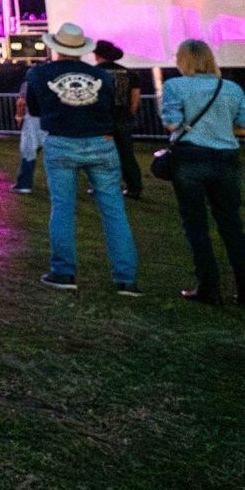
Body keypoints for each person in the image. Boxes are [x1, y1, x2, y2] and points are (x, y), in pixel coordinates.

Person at [23, 22, 138, 295]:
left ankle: (64, 272)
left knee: (62, 208)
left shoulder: (39, 74)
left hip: (62, 142)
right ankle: (126, 278)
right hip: (101, 142)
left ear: (56, 48)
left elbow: (34, 109)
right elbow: (110, 108)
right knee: (113, 210)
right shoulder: (102, 76)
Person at [160, 39, 245, 308]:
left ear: (183, 60)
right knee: (232, 226)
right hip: (226, 160)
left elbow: (171, 124)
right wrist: (222, 129)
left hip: (190, 159)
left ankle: (209, 288)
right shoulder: (230, 88)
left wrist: (191, 126)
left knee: (196, 226)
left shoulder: (174, 86)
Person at [93, 39, 143, 199]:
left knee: (100, 155)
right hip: (123, 119)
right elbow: (135, 101)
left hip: (100, 120)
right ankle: (134, 187)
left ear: (97, 55)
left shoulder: (93, 73)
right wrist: (129, 115)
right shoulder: (129, 74)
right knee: (127, 155)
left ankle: (103, 186)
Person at [13, 93, 44, 193]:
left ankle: (24, 184)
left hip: (34, 120)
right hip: (54, 118)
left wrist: (18, 116)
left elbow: (21, 102)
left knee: (28, 151)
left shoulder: (31, 79)